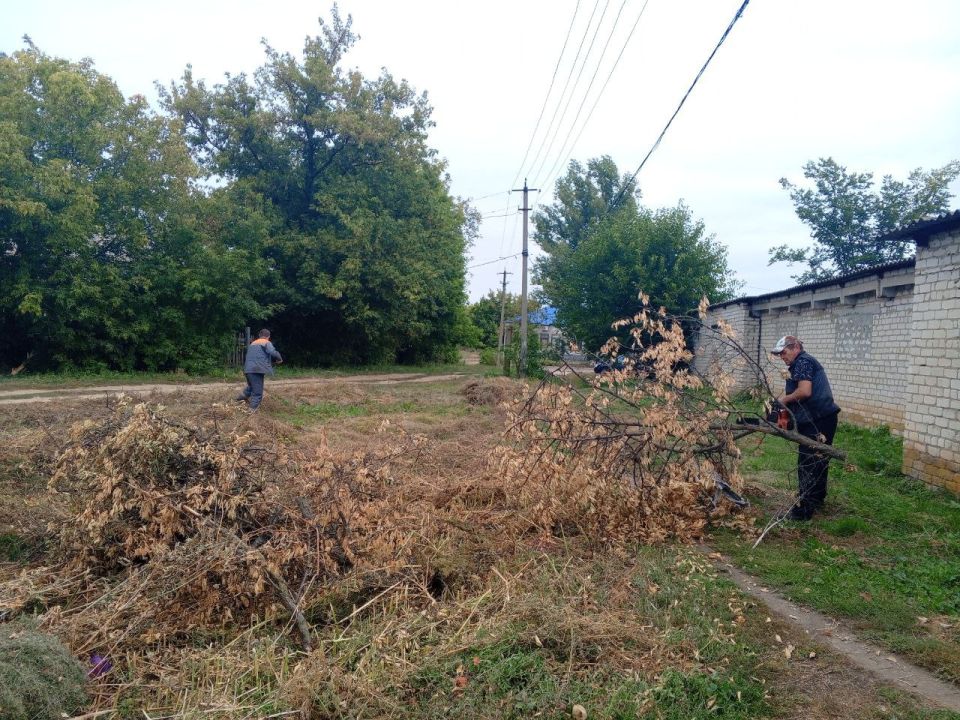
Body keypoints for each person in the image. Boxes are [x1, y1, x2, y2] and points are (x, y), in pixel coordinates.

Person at [770, 335, 841, 521]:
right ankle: (816, 499)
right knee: (819, 460)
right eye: (779, 354)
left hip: (818, 419)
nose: (782, 357)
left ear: (795, 347)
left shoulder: (803, 362)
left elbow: (804, 391)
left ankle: (804, 510)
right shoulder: (801, 363)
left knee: (808, 462)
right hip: (822, 418)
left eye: (783, 352)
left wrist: (782, 401)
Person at [237, 329, 282, 411]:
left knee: (251, 387)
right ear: (268, 336)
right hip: (256, 370)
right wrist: (279, 359)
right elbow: (272, 352)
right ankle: (251, 411)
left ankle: (238, 400)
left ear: (259, 335)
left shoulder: (253, 344)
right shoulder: (266, 342)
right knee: (257, 392)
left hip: (247, 369)